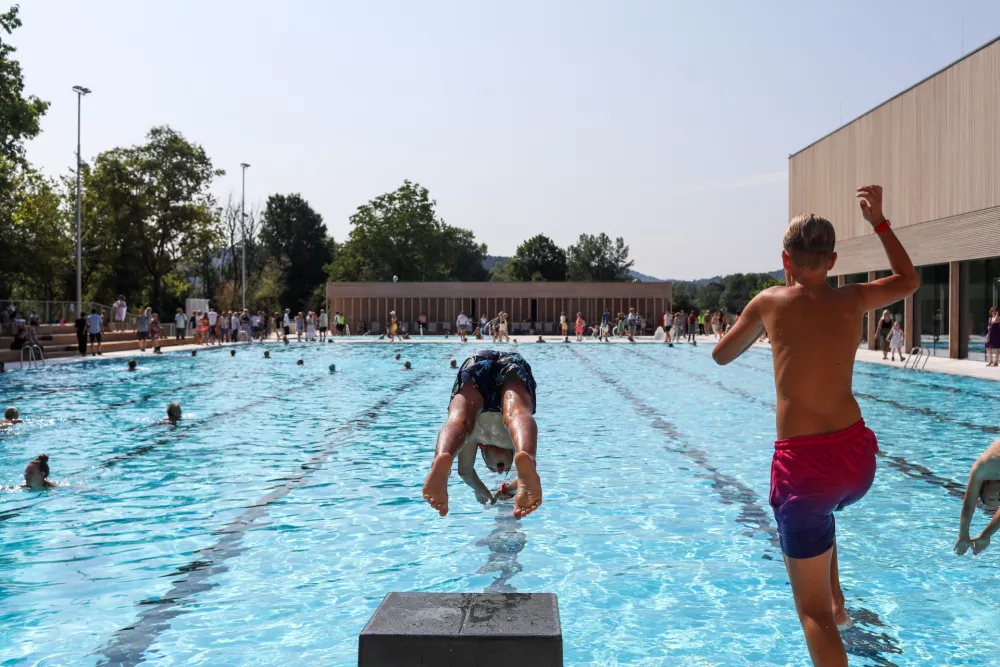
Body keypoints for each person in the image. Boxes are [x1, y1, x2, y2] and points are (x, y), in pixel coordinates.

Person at [712, 185, 919, 666]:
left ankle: (831, 611)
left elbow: (721, 355)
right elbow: (908, 280)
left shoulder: (769, 302)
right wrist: (880, 222)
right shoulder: (853, 299)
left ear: (786, 259)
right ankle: (840, 602)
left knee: (811, 615)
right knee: (823, 515)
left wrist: (763, 322)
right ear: (832, 260)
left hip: (804, 468)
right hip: (856, 461)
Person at [422, 350, 543, 520]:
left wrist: (481, 490)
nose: (500, 470)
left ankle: (443, 456)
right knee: (516, 413)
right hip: (511, 366)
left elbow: (465, 471)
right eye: (504, 469)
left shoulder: (474, 438)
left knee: (460, 421)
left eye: (493, 468)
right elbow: (527, 477)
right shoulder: (516, 443)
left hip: (478, 361)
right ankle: (530, 457)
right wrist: (506, 490)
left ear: (482, 450)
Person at [955, 440, 1000, 556]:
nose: (998, 496)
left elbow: (968, 507)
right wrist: (986, 535)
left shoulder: (980, 470)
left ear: (983, 487)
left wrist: (963, 535)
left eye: (990, 498)